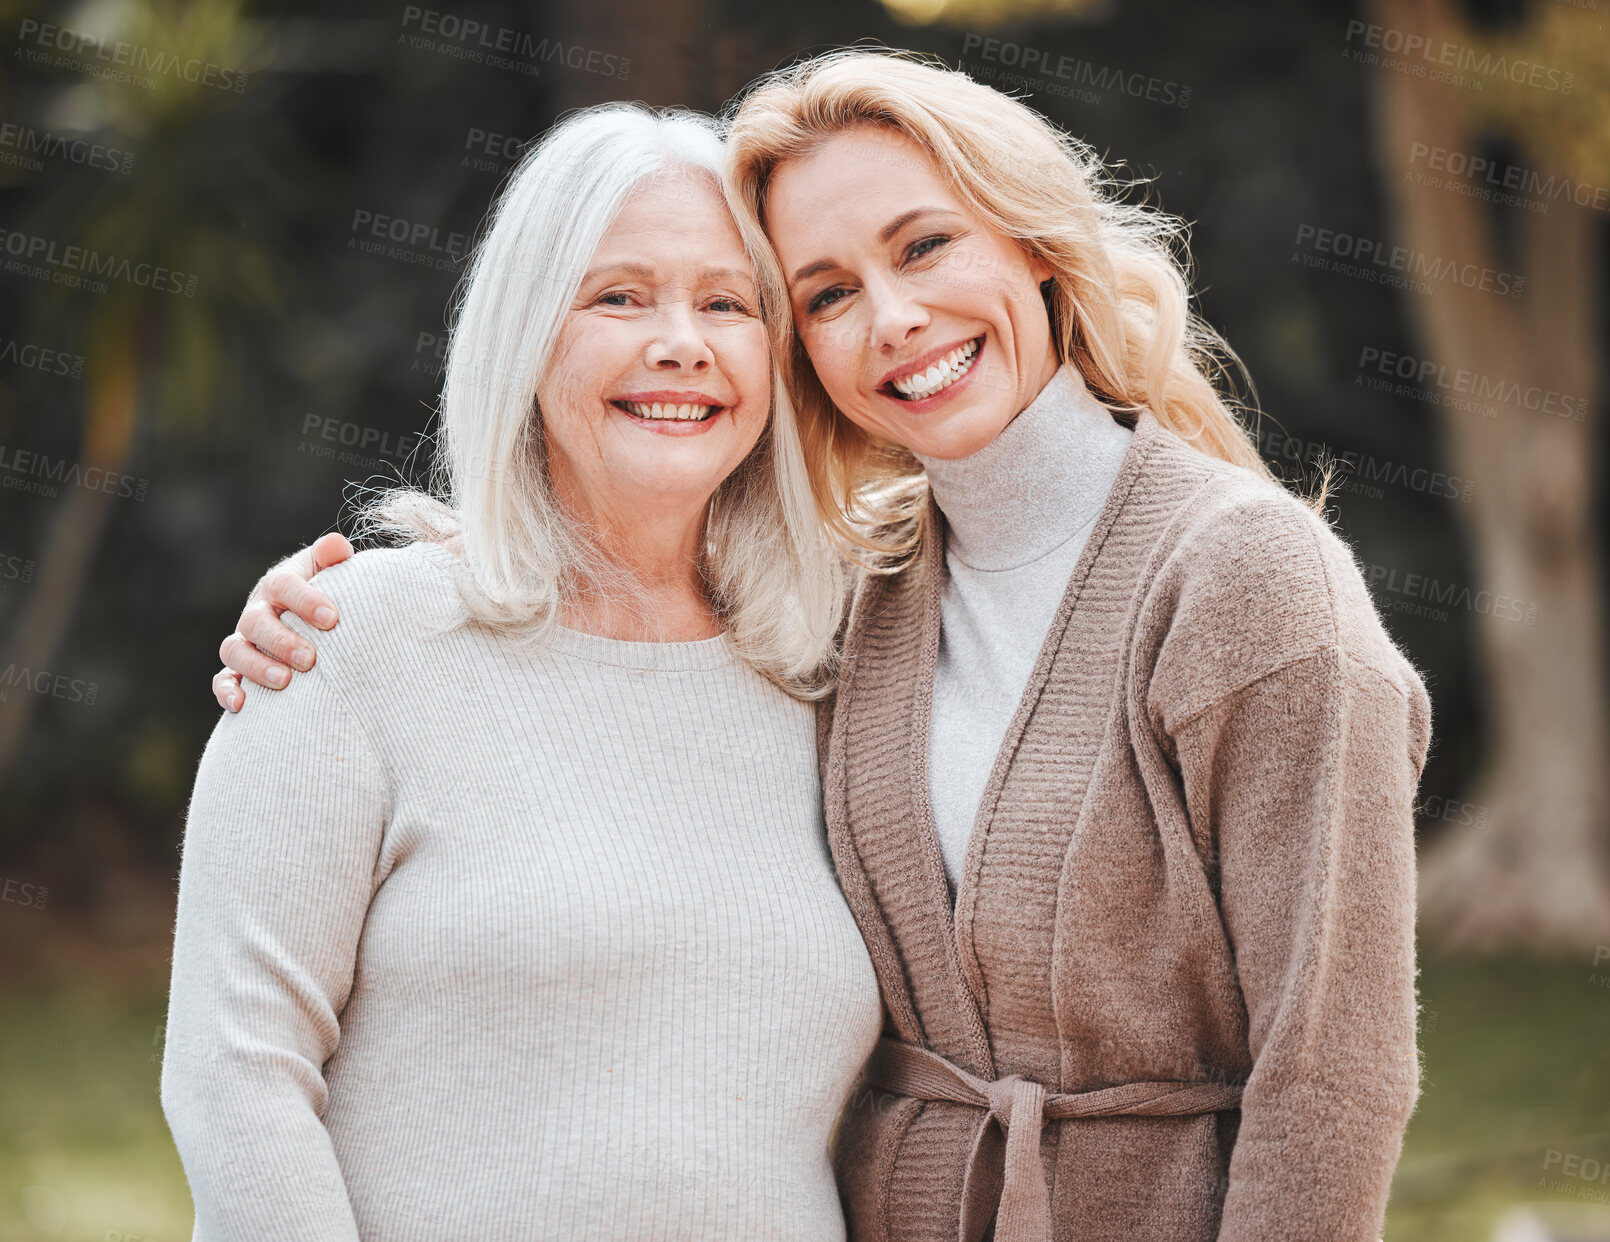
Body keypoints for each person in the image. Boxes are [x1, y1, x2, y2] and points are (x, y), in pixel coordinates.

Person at [214, 51, 1431, 1242]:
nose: (893, 319)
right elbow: (244, 1061)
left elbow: (1333, 1075)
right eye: (826, 293)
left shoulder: (1243, 583)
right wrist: (322, 619)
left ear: (1033, 242)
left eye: (922, 246)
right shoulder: (854, 607)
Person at [162, 103, 882, 1241]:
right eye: (618, 296)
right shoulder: (349, 638)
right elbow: (234, 1072)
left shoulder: (837, 672)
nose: (680, 341)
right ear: (525, 333)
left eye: (726, 303)